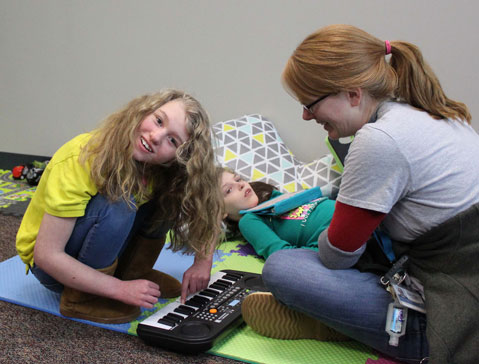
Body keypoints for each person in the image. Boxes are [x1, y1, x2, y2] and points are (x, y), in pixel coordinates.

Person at [241, 25, 479, 364]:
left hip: (452, 317)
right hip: (455, 281)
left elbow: (338, 256)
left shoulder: (379, 140)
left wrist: (319, 233)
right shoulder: (436, 114)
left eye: (310, 103)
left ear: (353, 94)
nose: (306, 115)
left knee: (282, 268)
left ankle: (342, 326)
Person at [16, 89, 222, 324]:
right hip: (52, 268)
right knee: (119, 201)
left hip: (97, 251)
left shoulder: (162, 167)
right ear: (143, 110)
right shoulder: (82, 157)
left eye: (172, 140)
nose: (156, 136)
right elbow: (47, 255)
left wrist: (202, 263)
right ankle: (81, 298)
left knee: (171, 195)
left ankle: (132, 272)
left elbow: (210, 204)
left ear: (179, 156)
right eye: (158, 120)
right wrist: (118, 290)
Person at [220, 169, 335, 260]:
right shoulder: (248, 221)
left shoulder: (274, 198)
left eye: (238, 179)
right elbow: (281, 256)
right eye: (229, 190)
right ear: (219, 212)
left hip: (346, 212)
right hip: (336, 240)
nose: (241, 185)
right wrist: (322, 253)